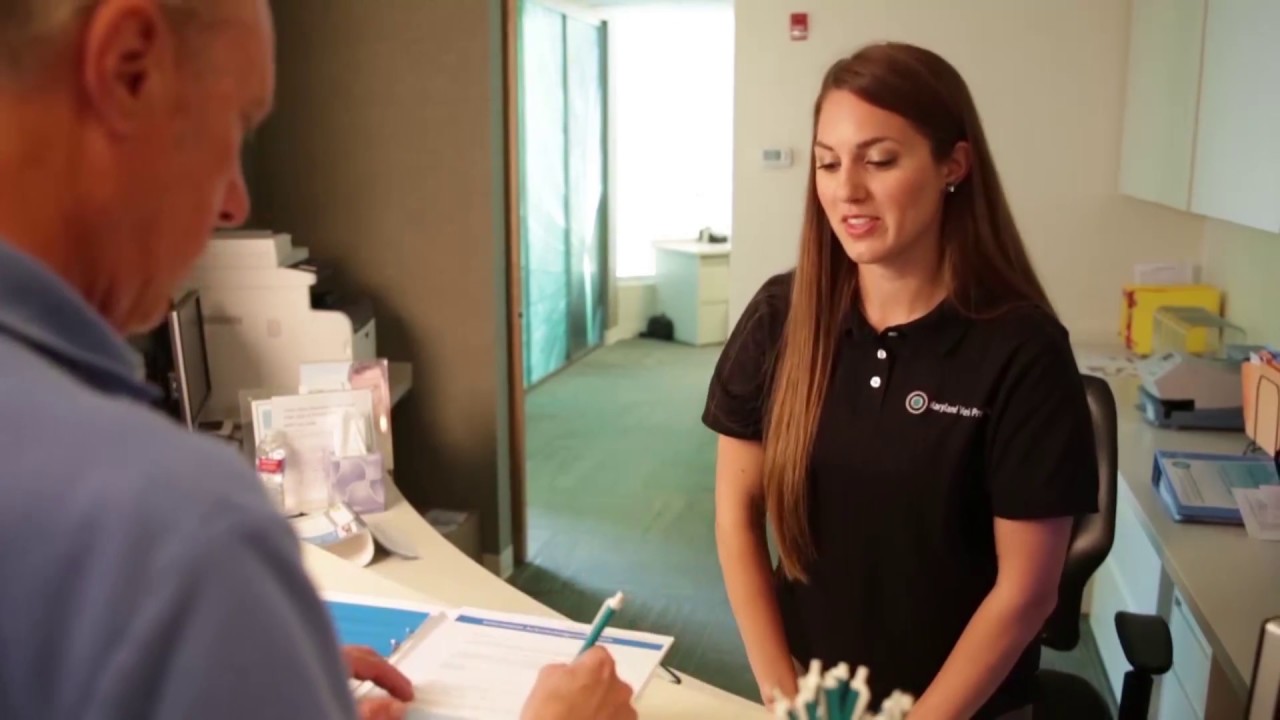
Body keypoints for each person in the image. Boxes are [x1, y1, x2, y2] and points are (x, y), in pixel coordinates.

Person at [0, 1, 635, 719]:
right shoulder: (175, 537)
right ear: (129, 69)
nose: (236, 202)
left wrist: (254, 685)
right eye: (237, 125)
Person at [703, 42, 1098, 720]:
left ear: (954, 165)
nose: (846, 189)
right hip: (813, 700)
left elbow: (1027, 593)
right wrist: (784, 695)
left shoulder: (1021, 350)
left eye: (879, 160)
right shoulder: (781, 317)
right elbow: (736, 516)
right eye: (828, 162)